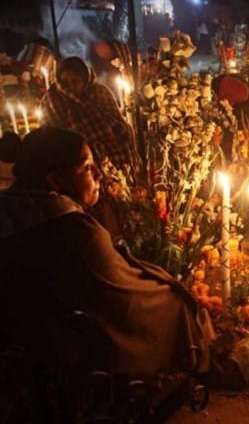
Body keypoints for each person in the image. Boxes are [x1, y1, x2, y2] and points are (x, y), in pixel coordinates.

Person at [0, 127, 213, 382]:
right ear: (55, 180)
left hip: (26, 338)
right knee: (175, 302)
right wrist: (173, 290)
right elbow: (127, 297)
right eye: (88, 167)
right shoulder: (75, 234)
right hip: (73, 344)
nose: (99, 174)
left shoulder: (12, 210)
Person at [40, 56, 139, 175]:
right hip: (81, 159)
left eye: (75, 81)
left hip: (112, 150)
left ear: (85, 80)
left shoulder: (99, 92)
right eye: (65, 82)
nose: (70, 86)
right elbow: (51, 138)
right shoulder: (52, 101)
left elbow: (118, 122)